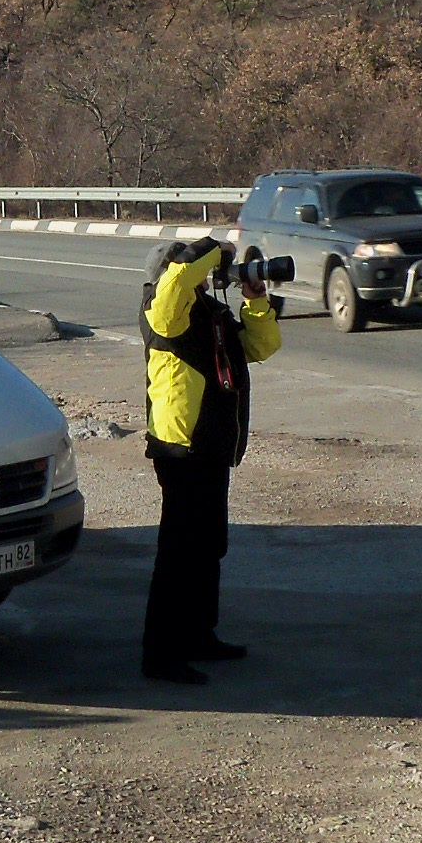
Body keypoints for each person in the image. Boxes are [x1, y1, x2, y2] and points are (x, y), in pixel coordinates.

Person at [139, 236, 280, 684]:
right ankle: (160, 655)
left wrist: (256, 302)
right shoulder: (162, 312)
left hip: (216, 444)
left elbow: (261, 347)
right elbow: (180, 277)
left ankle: (200, 634)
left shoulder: (210, 313)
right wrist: (213, 248)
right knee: (178, 553)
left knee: (208, 546)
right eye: (196, 273)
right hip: (182, 446)